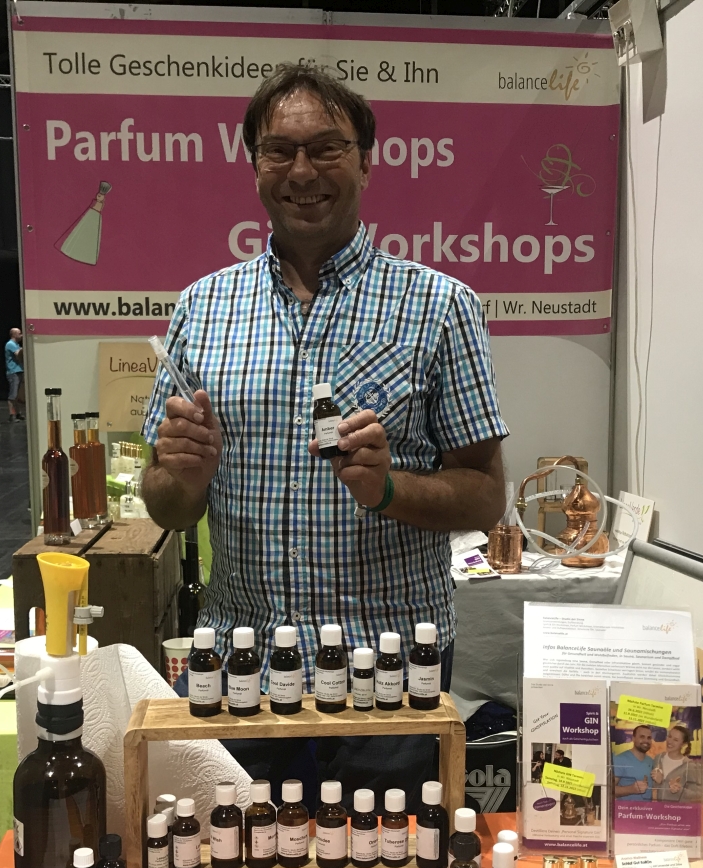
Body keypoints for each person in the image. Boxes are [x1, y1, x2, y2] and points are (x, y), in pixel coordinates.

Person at [141, 64, 507, 808]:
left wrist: (389, 489)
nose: (302, 171)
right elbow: (166, 506)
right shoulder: (202, 308)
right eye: (279, 150)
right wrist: (182, 477)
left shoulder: (440, 307)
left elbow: (485, 497)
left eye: (326, 148)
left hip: (392, 674)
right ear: (254, 166)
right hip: (242, 671)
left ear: (366, 161)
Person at [650, 723, 703, 802]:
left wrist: (680, 790)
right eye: (669, 736)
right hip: (661, 808)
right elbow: (656, 785)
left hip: (678, 809)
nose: (670, 741)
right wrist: (658, 782)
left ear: (683, 744)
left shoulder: (690, 766)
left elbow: (699, 794)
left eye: (675, 740)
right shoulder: (658, 758)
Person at [613, 724, 655, 801]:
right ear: (633, 738)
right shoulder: (620, 759)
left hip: (648, 808)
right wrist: (631, 789)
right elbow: (609, 790)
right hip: (626, 808)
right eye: (642, 737)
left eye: (649, 738)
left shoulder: (651, 761)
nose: (646, 740)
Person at [5, 328, 25, 421]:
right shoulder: (11, 344)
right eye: (19, 333)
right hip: (13, 372)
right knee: (13, 395)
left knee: (17, 395)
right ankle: (12, 414)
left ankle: (18, 413)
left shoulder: (16, 345)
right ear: (14, 334)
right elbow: (18, 355)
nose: (21, 335)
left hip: (18, 370)